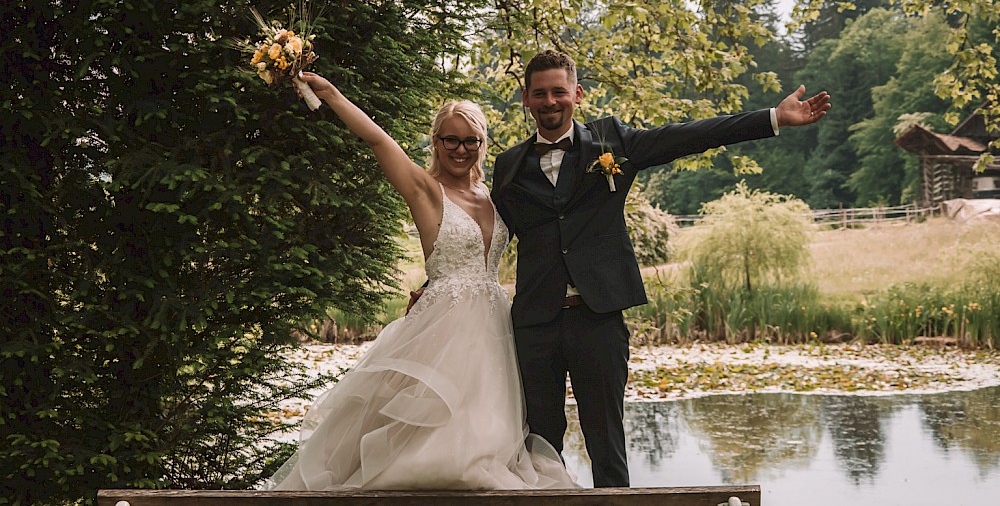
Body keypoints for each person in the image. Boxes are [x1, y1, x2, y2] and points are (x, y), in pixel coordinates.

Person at [490, 49, 831, 487]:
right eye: (540, 94)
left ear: (577, 93)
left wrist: (772, 118)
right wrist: (440, 282)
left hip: (599, 317)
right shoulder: (508, 166)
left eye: (559, 91)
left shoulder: (613, 142)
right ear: (525, 99)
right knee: (539, 444)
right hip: (535, 322)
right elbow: (488, 237)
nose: (550, 101)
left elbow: (690, 135)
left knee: (606, 441)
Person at [263, 72, 576, 490]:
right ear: (436, 142)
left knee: (491, 433)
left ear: (483, 144)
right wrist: (332, 95)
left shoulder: (494, 194)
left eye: (471, 141)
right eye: (450, 140)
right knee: (441, 447)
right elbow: (379, 141)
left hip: (496, 323)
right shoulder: (425, 190)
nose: (460, 150)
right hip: (444, 324)